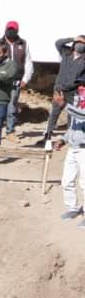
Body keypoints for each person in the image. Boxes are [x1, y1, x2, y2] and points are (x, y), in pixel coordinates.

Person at [44, 35, 85, 145]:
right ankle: (48, 136)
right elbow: (58, 43)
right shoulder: (66, 52)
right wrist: (73, 38)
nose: (80, 45)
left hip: (73, 91)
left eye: (83, 43)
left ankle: (69, 137)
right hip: (59, 89)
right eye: (79, 42)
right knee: (54, 113)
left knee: (71, 113)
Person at [57, 82, 85, 224]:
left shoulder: (77, 107)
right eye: (80, 87)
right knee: (67, 180)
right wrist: (64, 139)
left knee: (84, 183)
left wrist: (64, 105)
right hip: (73, 148)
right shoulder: (77, 102)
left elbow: (83, 115)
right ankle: (72, 207)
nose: (81, 89)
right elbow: (73, 126)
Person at [0, 20, 32, 141]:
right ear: (5, 30)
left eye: (13, 30)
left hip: (15, 82)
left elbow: (28, 62)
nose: (11, 32)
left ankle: (10, 132)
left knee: (11, 107)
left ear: (17, 30)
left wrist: (25, 79)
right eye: (9, 29)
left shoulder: (23, 44)